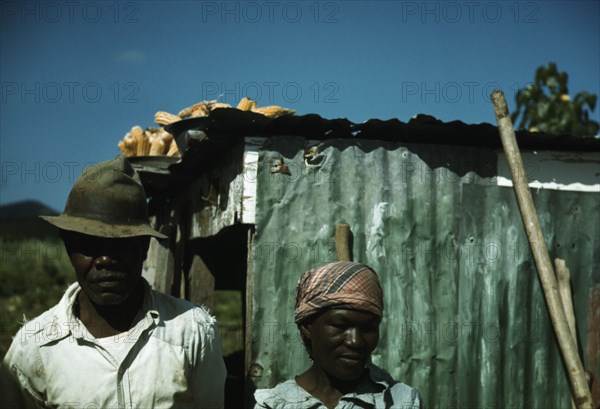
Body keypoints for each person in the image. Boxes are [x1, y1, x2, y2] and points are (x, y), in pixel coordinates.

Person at [0, 156, 226, 409]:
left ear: (144, 248)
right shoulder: (34, 346)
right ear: (69, 248)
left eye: (121, 245)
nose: (105, 260)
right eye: (89, 246)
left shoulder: (192, 331)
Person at [254, 261, 425, 409]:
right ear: (307, 327)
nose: (355, 341)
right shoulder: (273, 404)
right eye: (340, 325)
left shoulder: (401, 401)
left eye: (368, 328)